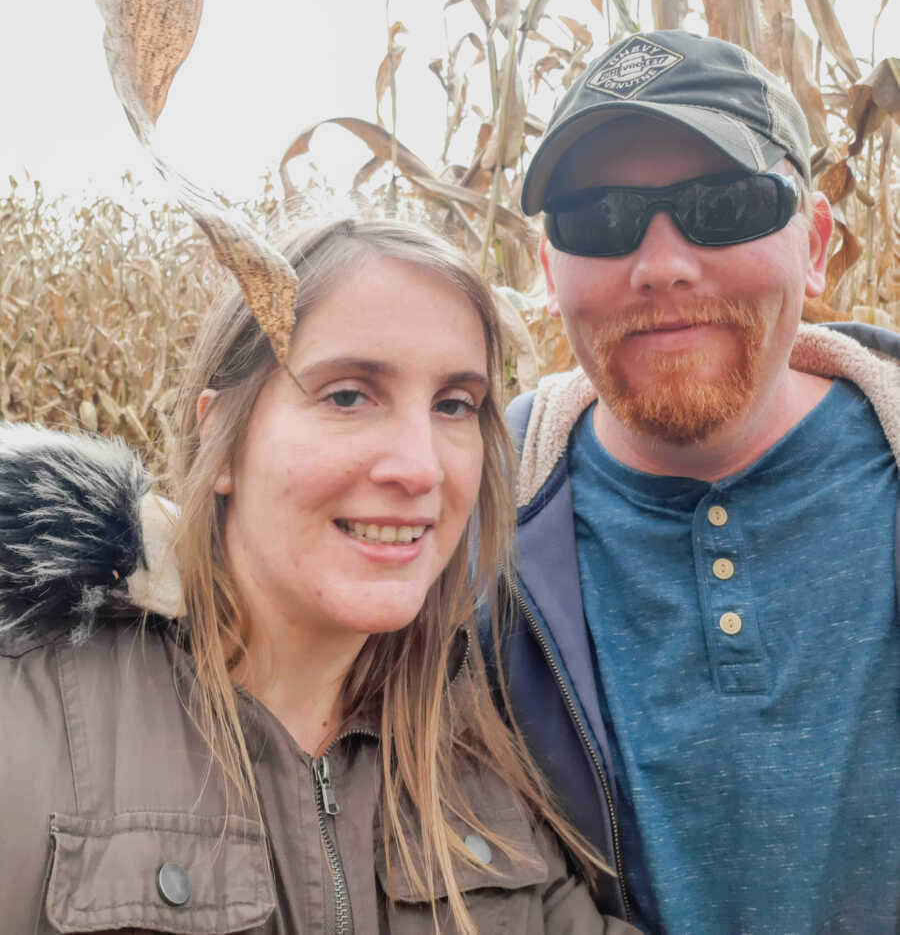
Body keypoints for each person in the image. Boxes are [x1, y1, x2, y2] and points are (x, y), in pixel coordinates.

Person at [0, 218, 639, 935]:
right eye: (347, 395)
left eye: (454, 404)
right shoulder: (30, 723)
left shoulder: (473, 763)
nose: (421, 466)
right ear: (223, 437)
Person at [497, 31, 900, 934]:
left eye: (724, 205)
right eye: (600, 219)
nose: (664, 263)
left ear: (818, 244)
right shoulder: (462, 526)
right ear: (549, 269)